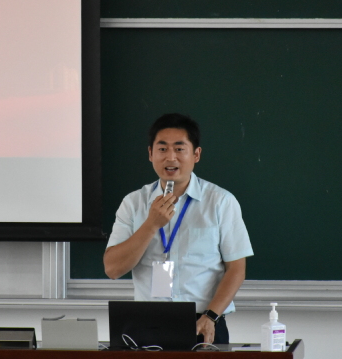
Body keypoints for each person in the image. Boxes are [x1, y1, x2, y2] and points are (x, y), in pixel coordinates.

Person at [104, 113, 254, 345]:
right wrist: (151, 224)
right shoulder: (133, 203)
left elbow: (236, 269)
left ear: (196, 154)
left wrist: (211, 316)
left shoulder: (220, 202)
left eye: (179, 149)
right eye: (162, 149)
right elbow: (113, 269)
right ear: (150, 154)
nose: (170, 157)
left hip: (203, 321)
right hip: (146, 322)